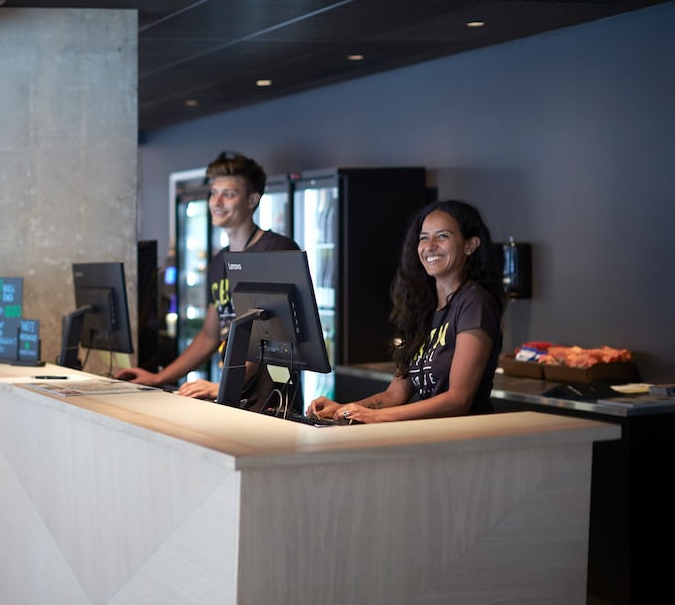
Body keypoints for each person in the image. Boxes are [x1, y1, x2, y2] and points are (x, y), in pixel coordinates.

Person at [114, 151, 301, 411]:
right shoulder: (219, 262)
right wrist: (159, 377)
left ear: (252, 200)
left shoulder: (276, 251)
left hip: (270, 405)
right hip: (231, 400)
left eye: (229, 194)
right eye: (214, 193)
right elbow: (210, 335)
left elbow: (271, 339)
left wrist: (223, 385)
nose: (217, 202)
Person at [307, 199, 505, 424]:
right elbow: (395, 394)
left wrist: (376, 416)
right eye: (424, 237)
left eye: (442, 236)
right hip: (430, 435)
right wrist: (344, 409)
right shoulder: (424, 309)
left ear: (470, 245)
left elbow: (458, 400)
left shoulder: (475, 302)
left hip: (465, 436)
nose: (430, 245)